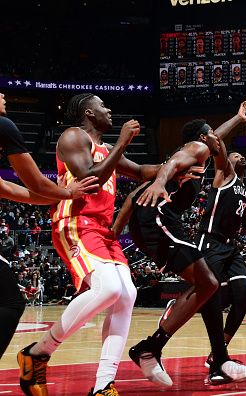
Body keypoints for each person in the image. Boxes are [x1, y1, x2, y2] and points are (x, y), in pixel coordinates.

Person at [17, 93, 162, 396]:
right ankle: (39, 352)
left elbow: (140, 172)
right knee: (109, 288)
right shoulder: (73, 137)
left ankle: (103, 385)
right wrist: (123, 142)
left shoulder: (105, 149)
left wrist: (176, 166)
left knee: (127, 294)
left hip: (101, 229)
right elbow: (90, 176)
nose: (109, 110)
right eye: (102, 106)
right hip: (75, 223)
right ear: (88, 113)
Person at [115, 100, 246, 386]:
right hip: (159, 218)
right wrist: (161, 181)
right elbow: (172, 164)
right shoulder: (192, 151)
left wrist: (237, 118)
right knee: (207, 284)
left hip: (154, 222)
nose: (216, 139)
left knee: (207, 285)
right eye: (211, 134)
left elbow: (135, 187)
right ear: (203, 138)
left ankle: (213, 360)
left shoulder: (194, 157)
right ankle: (152, 348)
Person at [0, 92, 98, 360]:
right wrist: (67, 192)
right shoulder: (3, 125)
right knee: (10, 303)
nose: (3, 95)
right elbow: (36, 182)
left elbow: (6, 187)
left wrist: (56, 195)